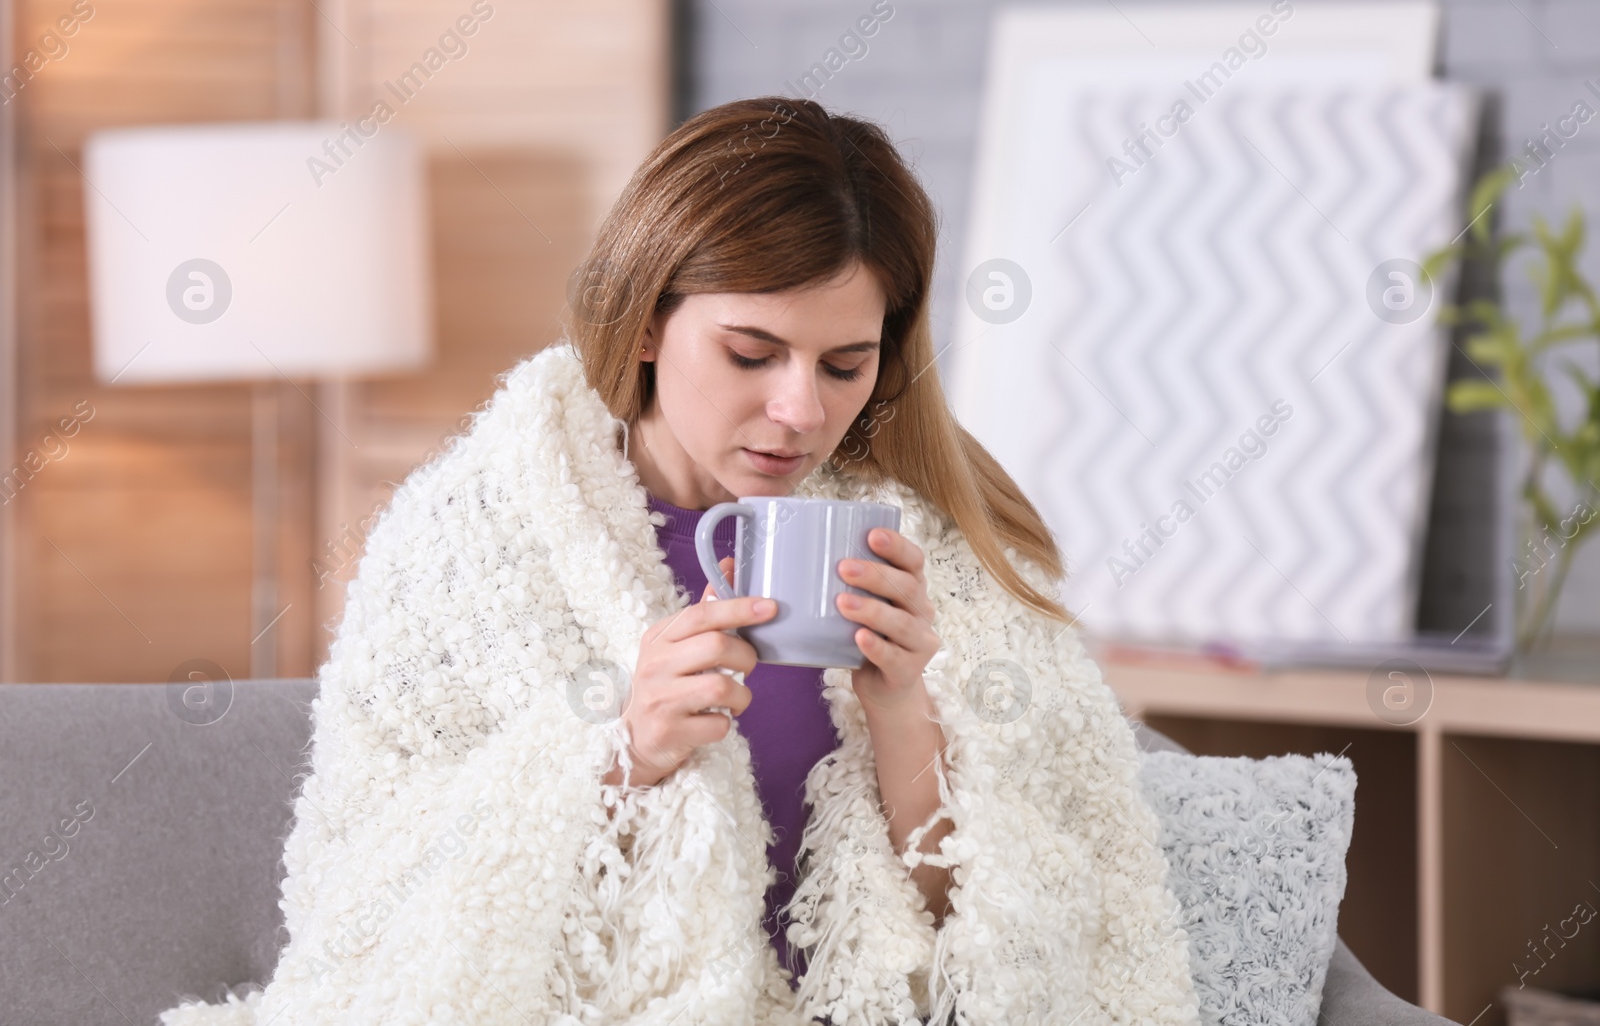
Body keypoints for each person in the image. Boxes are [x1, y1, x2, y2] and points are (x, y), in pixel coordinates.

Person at [158, 98, 1201, 1026]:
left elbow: (1030, 940)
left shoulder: (940, 552)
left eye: (846, 364)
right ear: (650, 320)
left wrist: (902, 710)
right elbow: (372, 888)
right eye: (751, 353)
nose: (800, 410)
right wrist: (616, 751)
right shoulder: (477, 535)